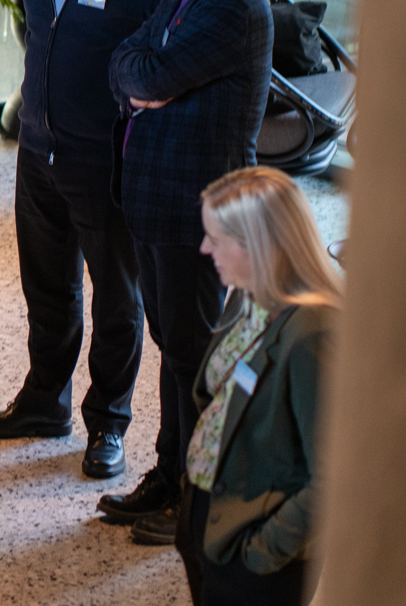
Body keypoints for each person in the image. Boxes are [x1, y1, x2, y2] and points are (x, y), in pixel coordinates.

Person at [0, 0, 173, 483]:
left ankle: (108, 423)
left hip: (106, 158)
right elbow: (39, 34)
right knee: (47, 285)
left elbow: (170, 54)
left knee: (118, 295)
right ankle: (43, 402)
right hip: (40, 147)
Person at [102, 0, 273, 547]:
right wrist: (146, 80)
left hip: (194, 209)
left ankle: (190, 499)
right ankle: (168, 472)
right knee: (173, 345)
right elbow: (128, 64)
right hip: (157, 198)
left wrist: (149, 78)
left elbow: (152, 74)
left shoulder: (233, 4)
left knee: (191, 353)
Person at [177, 168, 336, 606]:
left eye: (216, 237)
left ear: (259, 247)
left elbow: (333, 475)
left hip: (254, 542)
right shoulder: (246, 293)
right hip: (210, 510)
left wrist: (265, 551)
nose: (205, 247)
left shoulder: (313, 333)